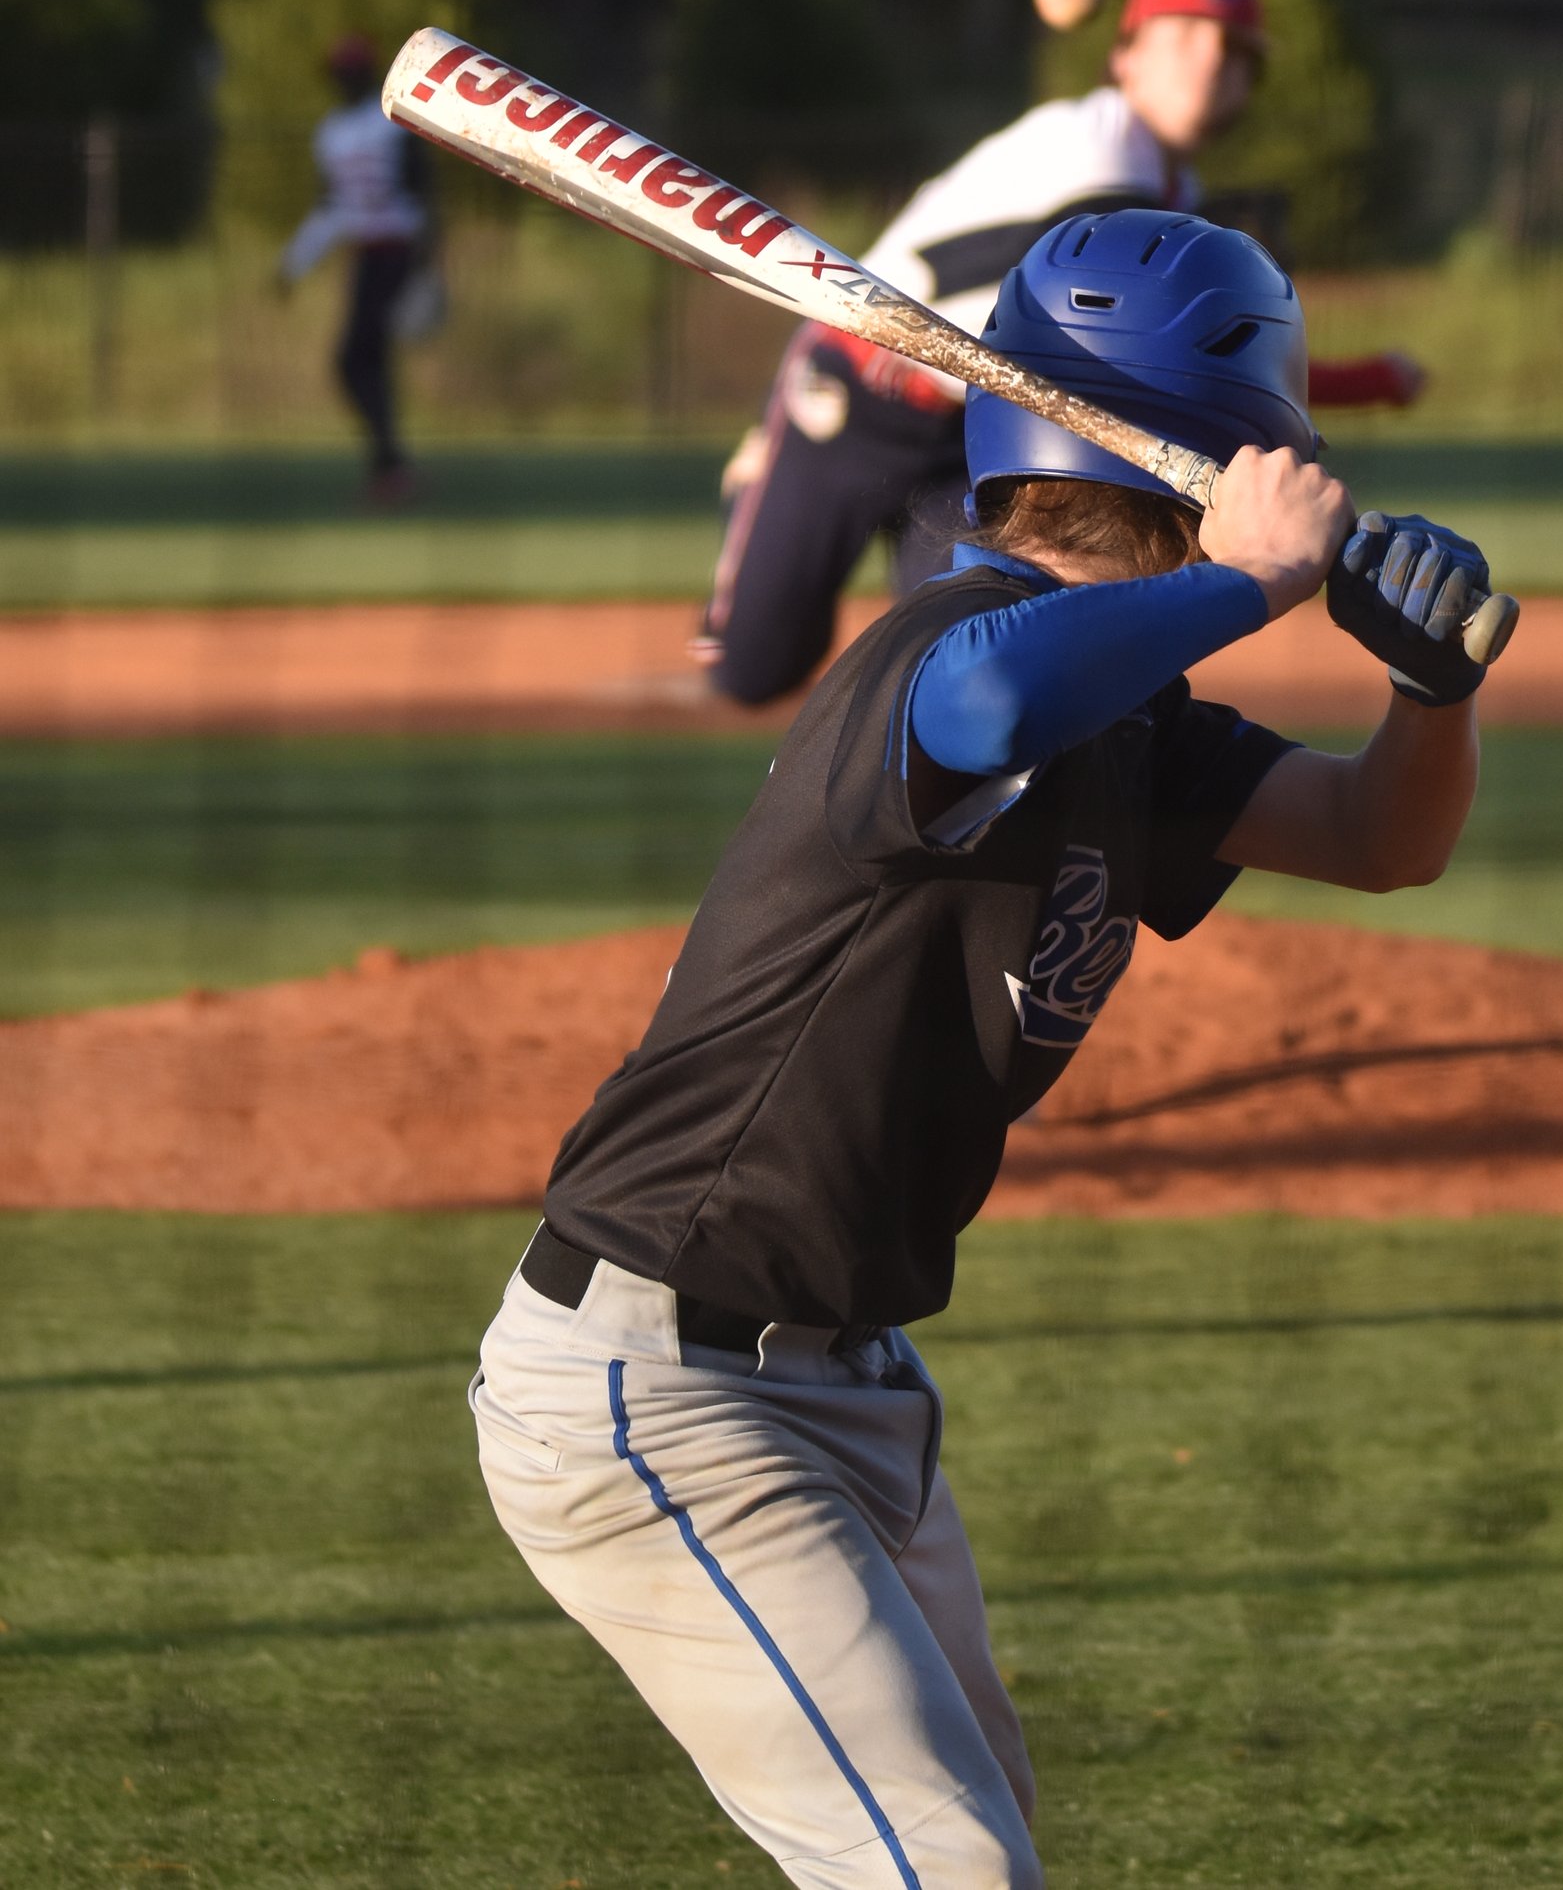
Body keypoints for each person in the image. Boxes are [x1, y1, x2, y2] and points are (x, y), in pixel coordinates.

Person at [471, 207, 1500, 1890]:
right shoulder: (933, 653)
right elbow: (992, 706)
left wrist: (1430, 697)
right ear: (1227, 452)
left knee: (969, 1853)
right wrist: (1249, 580)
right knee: (945, 1871)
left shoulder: (1134, 714)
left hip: (853, 1386)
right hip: (663, 1387)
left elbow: (1379, 839)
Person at [697, 0, 1424, 707]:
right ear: (1125, 59)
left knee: (974, 661)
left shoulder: (1171, 190)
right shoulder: (1097, 144)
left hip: (972, 433)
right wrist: (1369, 381)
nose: (1211, 60)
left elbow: (1193, 358)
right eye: (1185, 34)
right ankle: (751, 480)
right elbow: (1165, 359)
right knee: (751, 669)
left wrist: (1358, 383)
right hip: (859, 391)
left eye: (1234, 49)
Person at [279, 32, 434, 501]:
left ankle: (390, 465)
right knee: (364, 362)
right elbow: (332, 207)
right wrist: (295, 262)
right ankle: (390, 465)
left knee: (356, 361)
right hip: (369, 256)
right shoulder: (331, 132)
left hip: (395, 252)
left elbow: (423, 195)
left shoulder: (393, 123)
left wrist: (427, 263)